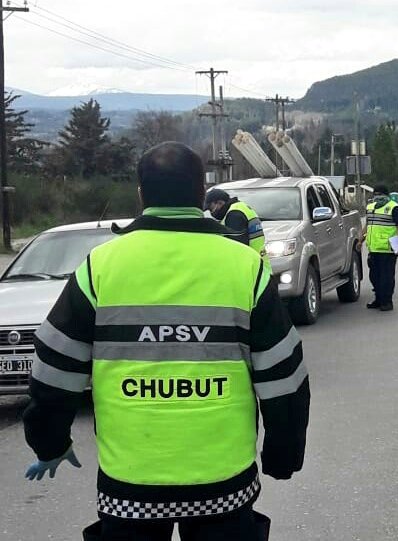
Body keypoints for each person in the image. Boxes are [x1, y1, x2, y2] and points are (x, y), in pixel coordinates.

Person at [22, 142, 310, 541]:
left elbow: (55, 368)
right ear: (202, 193)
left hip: (130, 485)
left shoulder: (100, 266)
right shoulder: (245, 267)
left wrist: (49, 442)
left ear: (141, 194)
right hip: (222, 483)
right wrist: (283, 454)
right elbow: (284, 375)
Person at [359, 184, 398, 312]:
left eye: (380, 194)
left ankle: (387, 302)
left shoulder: (394, 208)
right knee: (374, 277)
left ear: (386, 195)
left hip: (388, 249)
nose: (377, 197)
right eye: (375, 194)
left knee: (386, 277)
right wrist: (360, 240)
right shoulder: (370, 207)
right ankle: (378, 299)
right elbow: (368, 225)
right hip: (373, 249)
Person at [205, 188, 271, 272]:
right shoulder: (241, 207)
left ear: (220, 203)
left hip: (249, 266)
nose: (211, 212)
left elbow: (236, 247)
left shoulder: (234, 215)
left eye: (211, 208)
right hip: (258, 262)